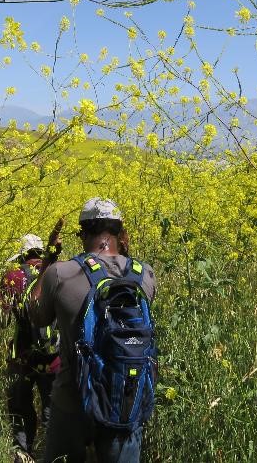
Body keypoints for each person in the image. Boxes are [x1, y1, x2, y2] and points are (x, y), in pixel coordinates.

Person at [28, 198, 156, 463]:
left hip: (71, 402)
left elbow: (36, 316)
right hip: (124, 401)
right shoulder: (145, 275)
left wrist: (48, 260)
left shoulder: (61, 273)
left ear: (83, 233)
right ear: (120, 233)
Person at [0, 234, 60, 462]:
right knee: (53, 411)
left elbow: (2, 322)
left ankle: (24, 454)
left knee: (20, 409)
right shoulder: (55, 272)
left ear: (22, 255)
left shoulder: (12, 275)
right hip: (52, 357)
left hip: (21, 356)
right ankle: (54, 455)